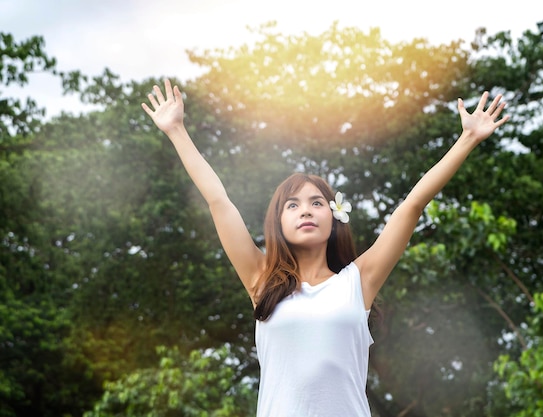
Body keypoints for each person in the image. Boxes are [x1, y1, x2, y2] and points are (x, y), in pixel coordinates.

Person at [142, 79, 509, 417]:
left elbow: (411, 206)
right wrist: (176, 130)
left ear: (334, 218)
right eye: (293, 205)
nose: (305, 210)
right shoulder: (261, 280)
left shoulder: (358, 282)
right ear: (278, 223)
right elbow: (218, 201)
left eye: (317, 203)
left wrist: (467, 139)